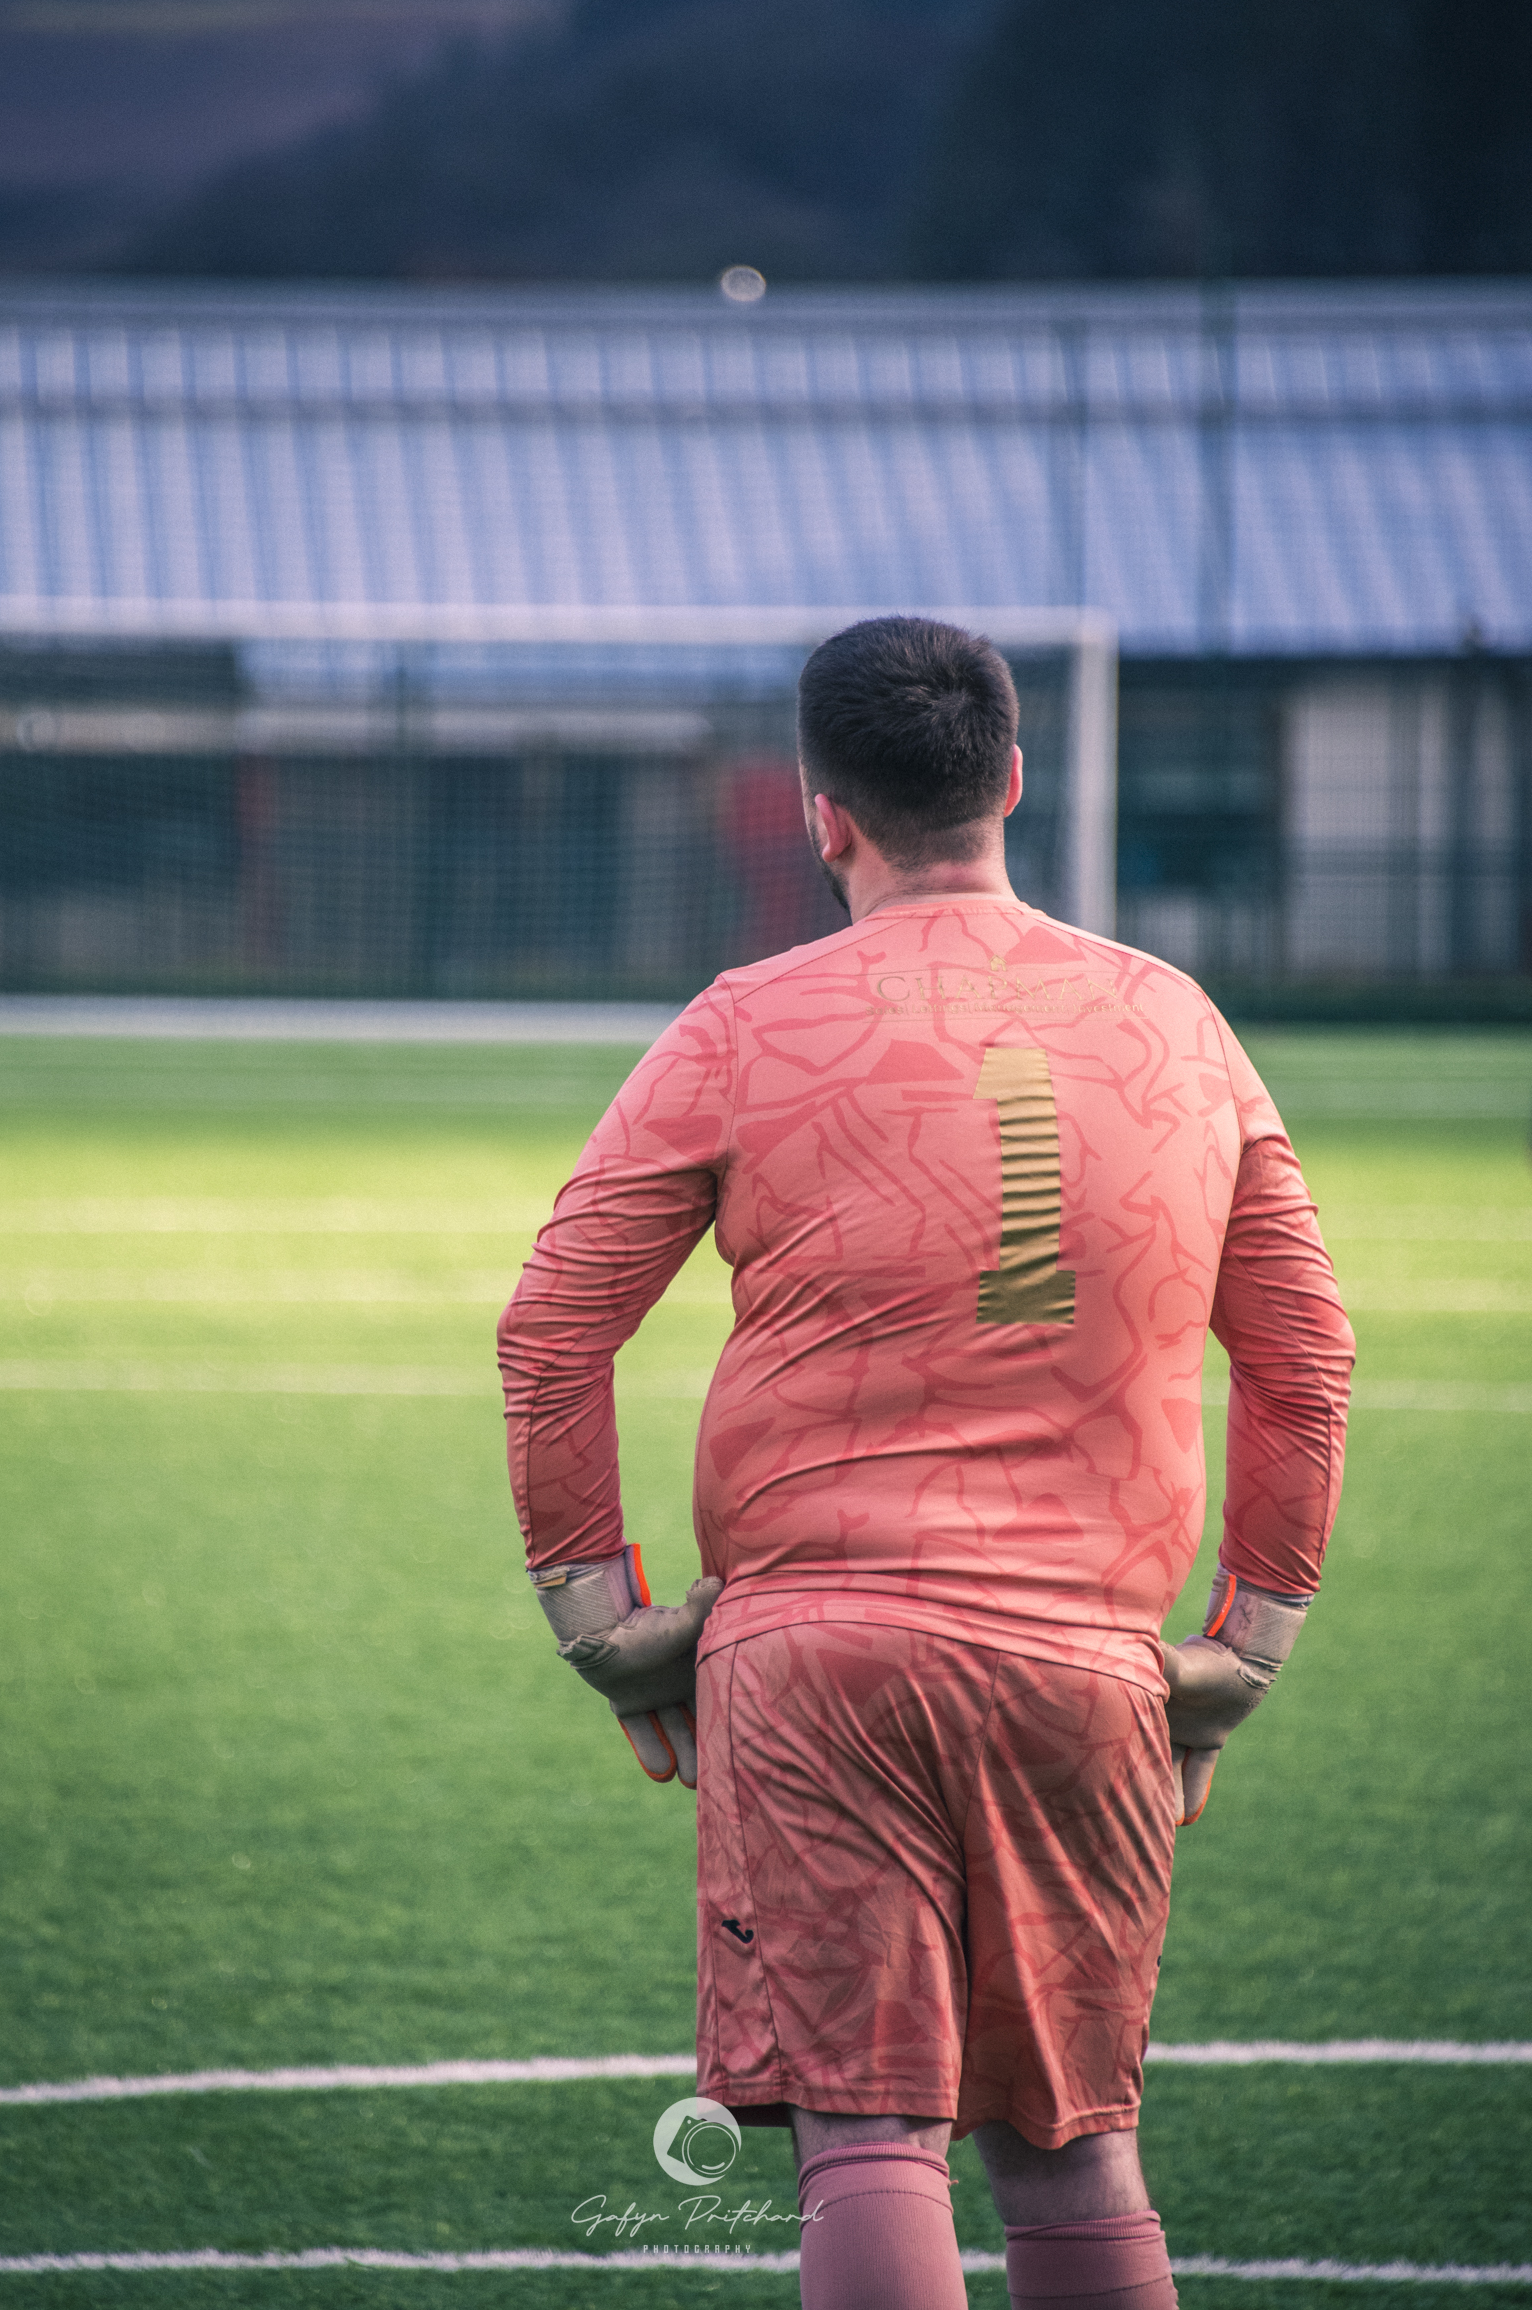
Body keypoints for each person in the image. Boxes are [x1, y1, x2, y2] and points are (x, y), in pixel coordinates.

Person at [498, 618, 1353, 2310]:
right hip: (1081, 1660)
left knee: (868, 2134)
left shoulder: (748, 1021)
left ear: (824, 815)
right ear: (1015, 784)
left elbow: (551, 1331)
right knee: (1068, 2143)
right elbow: (1304, 1359)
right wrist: (1241, 1648)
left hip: (811, 1662)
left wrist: (604, 1621)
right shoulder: (1176, 1022)